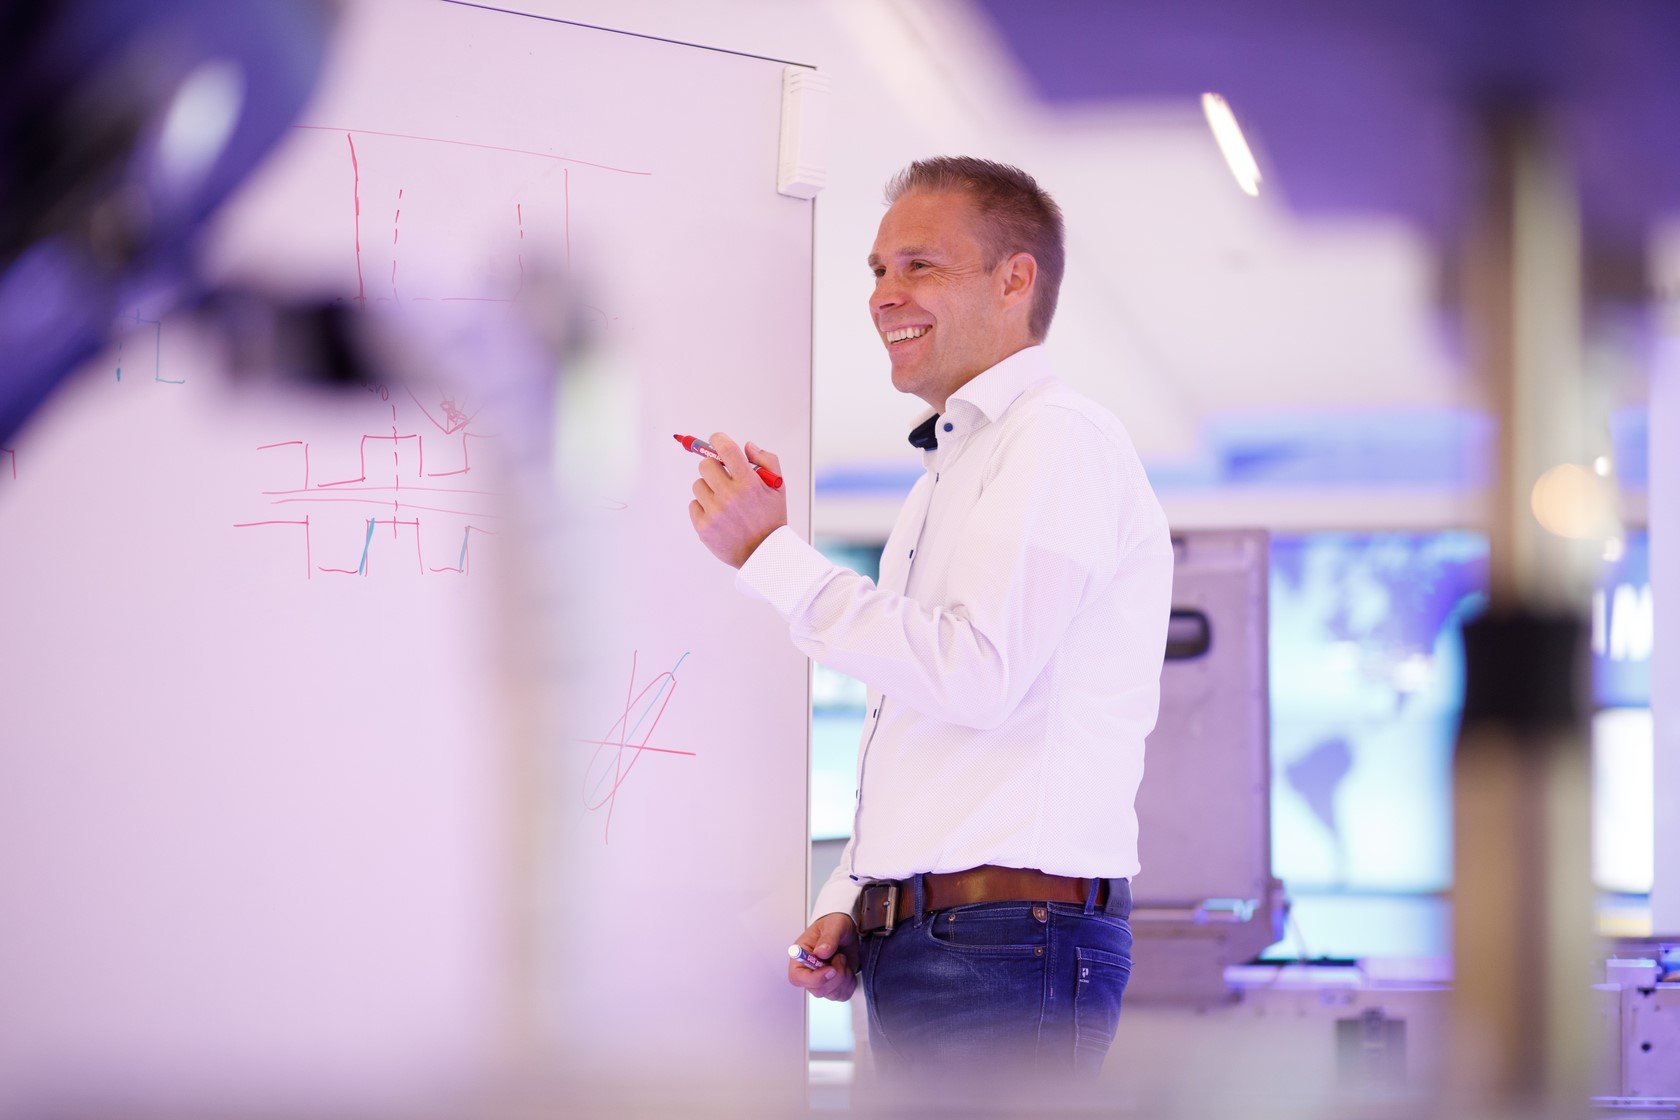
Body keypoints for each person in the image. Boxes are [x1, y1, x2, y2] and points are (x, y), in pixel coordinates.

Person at [685, 157, 1172, 1088]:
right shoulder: (954, 469)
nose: (884, 295)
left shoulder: (1056, 439)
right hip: (953, 945)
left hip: (1004, 948)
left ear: (1014, 279)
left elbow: (975, 675)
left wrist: (770, 557)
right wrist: (857, 897)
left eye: (919, 266)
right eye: (876, 270)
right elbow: (922, 713)